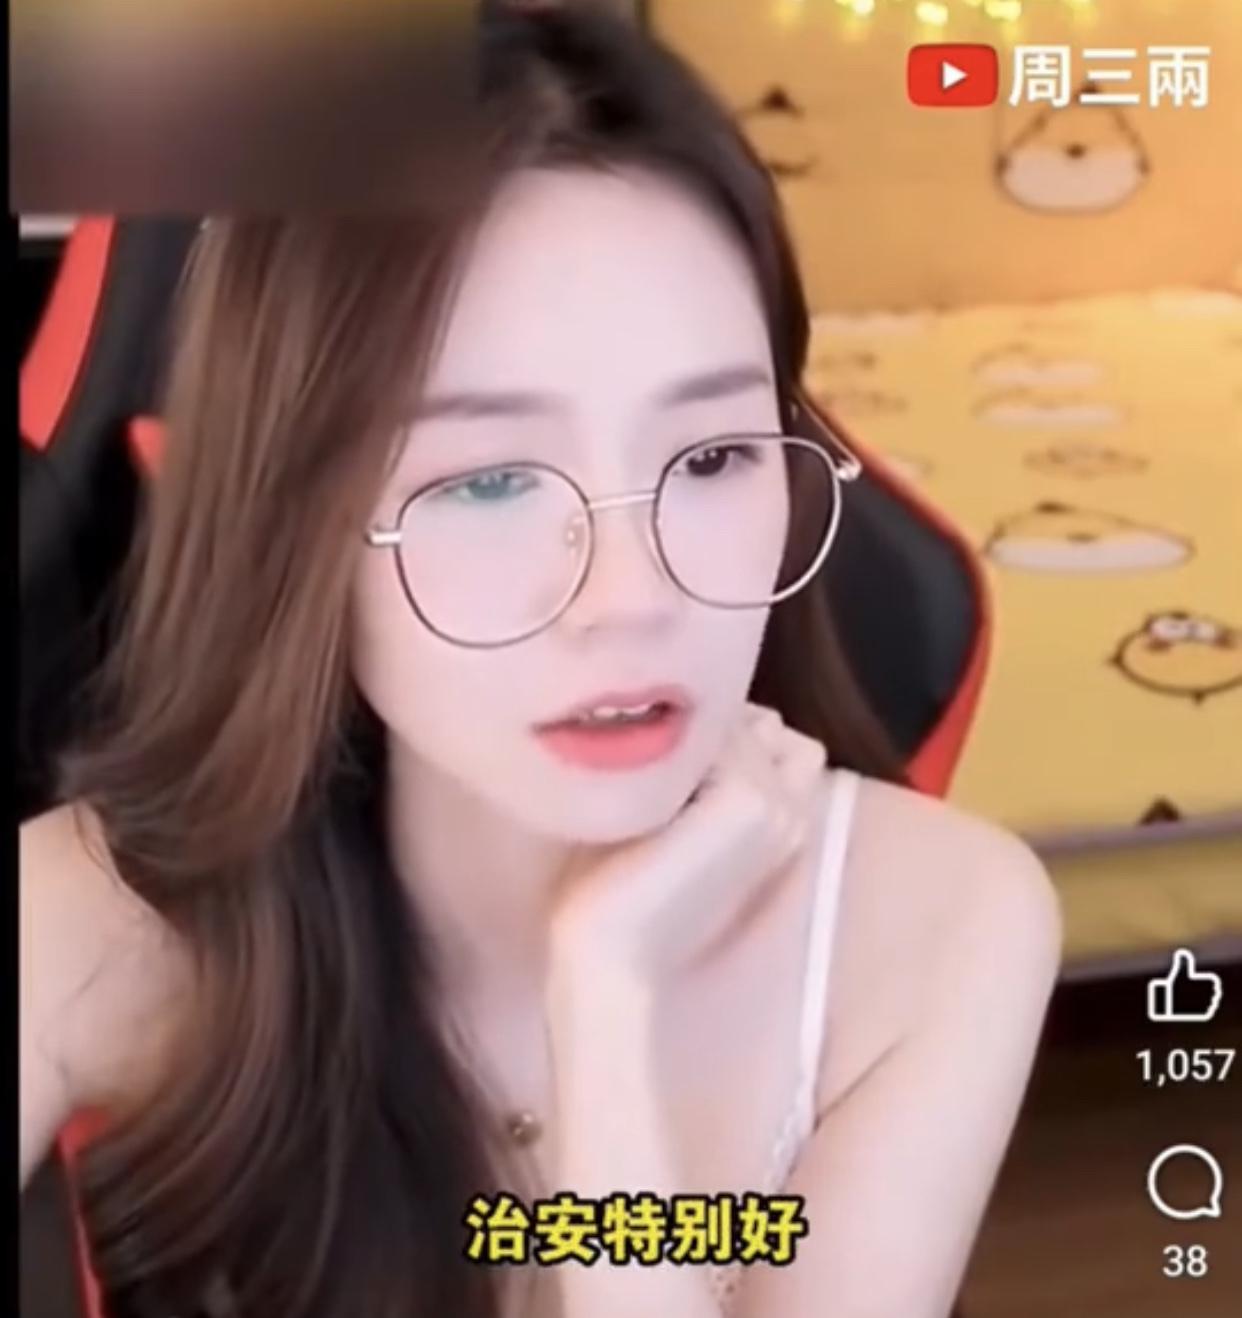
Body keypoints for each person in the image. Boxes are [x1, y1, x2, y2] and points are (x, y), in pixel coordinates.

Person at [18, 7, 1063, 1317]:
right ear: (290, 526)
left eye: (711, 456)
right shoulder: (83, 923)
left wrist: (608, 1011)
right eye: (491, 479)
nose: (632, 599)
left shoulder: (939, 926)